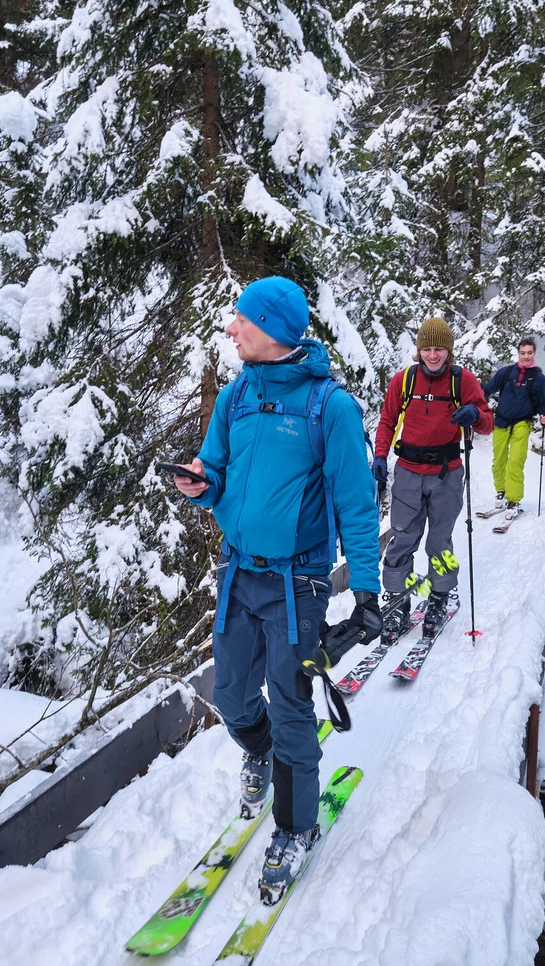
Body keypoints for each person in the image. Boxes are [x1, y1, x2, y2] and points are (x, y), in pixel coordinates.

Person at [171, 276, 382, 898]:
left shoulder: (330, 406)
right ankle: (256, 751)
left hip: (299, 585)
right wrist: (199, 484)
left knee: (290, 706)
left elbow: (356, 503)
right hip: (238, 573)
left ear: (273, 330)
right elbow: (215, 471)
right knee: (233, 696)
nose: (231, 328)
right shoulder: (235, 396)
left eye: (241, 320)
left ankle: (295, 827)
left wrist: (366, 591)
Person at [371, 316, 493, 637]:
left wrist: (476, 414)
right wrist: (381, 455)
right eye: (427, 349)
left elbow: (488, 422)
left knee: (439, 542)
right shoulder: (404, 380)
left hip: (446, 474)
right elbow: (386, 421)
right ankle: (397, 601)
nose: (433, 355)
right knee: (403, 539)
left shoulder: (462, 381)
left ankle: (439, 597)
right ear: (419, 350)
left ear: (449, 350)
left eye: (440, 349)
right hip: (408, 473)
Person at [482, 337, 545, 523]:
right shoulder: (506, 372)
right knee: (499, 460)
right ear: (518, 353)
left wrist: (544, 415)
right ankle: (501, 492)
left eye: (529, 352)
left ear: (534, 353)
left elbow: (542, 402)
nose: (526, 356)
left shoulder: (538, 377)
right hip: (501, 421)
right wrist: (475, 403)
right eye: (523, 353)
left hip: (523, 422)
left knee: (515, 461)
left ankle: (513, 501)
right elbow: (486, 390)